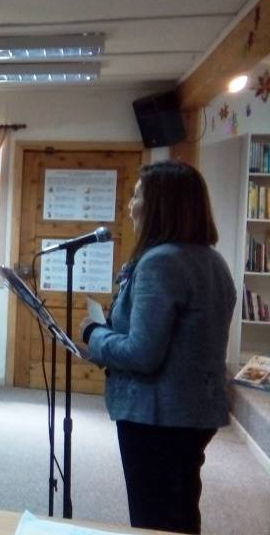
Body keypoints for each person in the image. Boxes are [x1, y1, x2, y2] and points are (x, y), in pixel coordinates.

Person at [78, 161, 235, 535]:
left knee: (154, 521)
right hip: (193, 414)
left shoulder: (160, 262)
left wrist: (94, 334)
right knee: (181, 513)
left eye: (137, 196)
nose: (130, 206)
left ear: (161, 205)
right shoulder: (212, 260)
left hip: (156, 417)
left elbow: (142, 354)